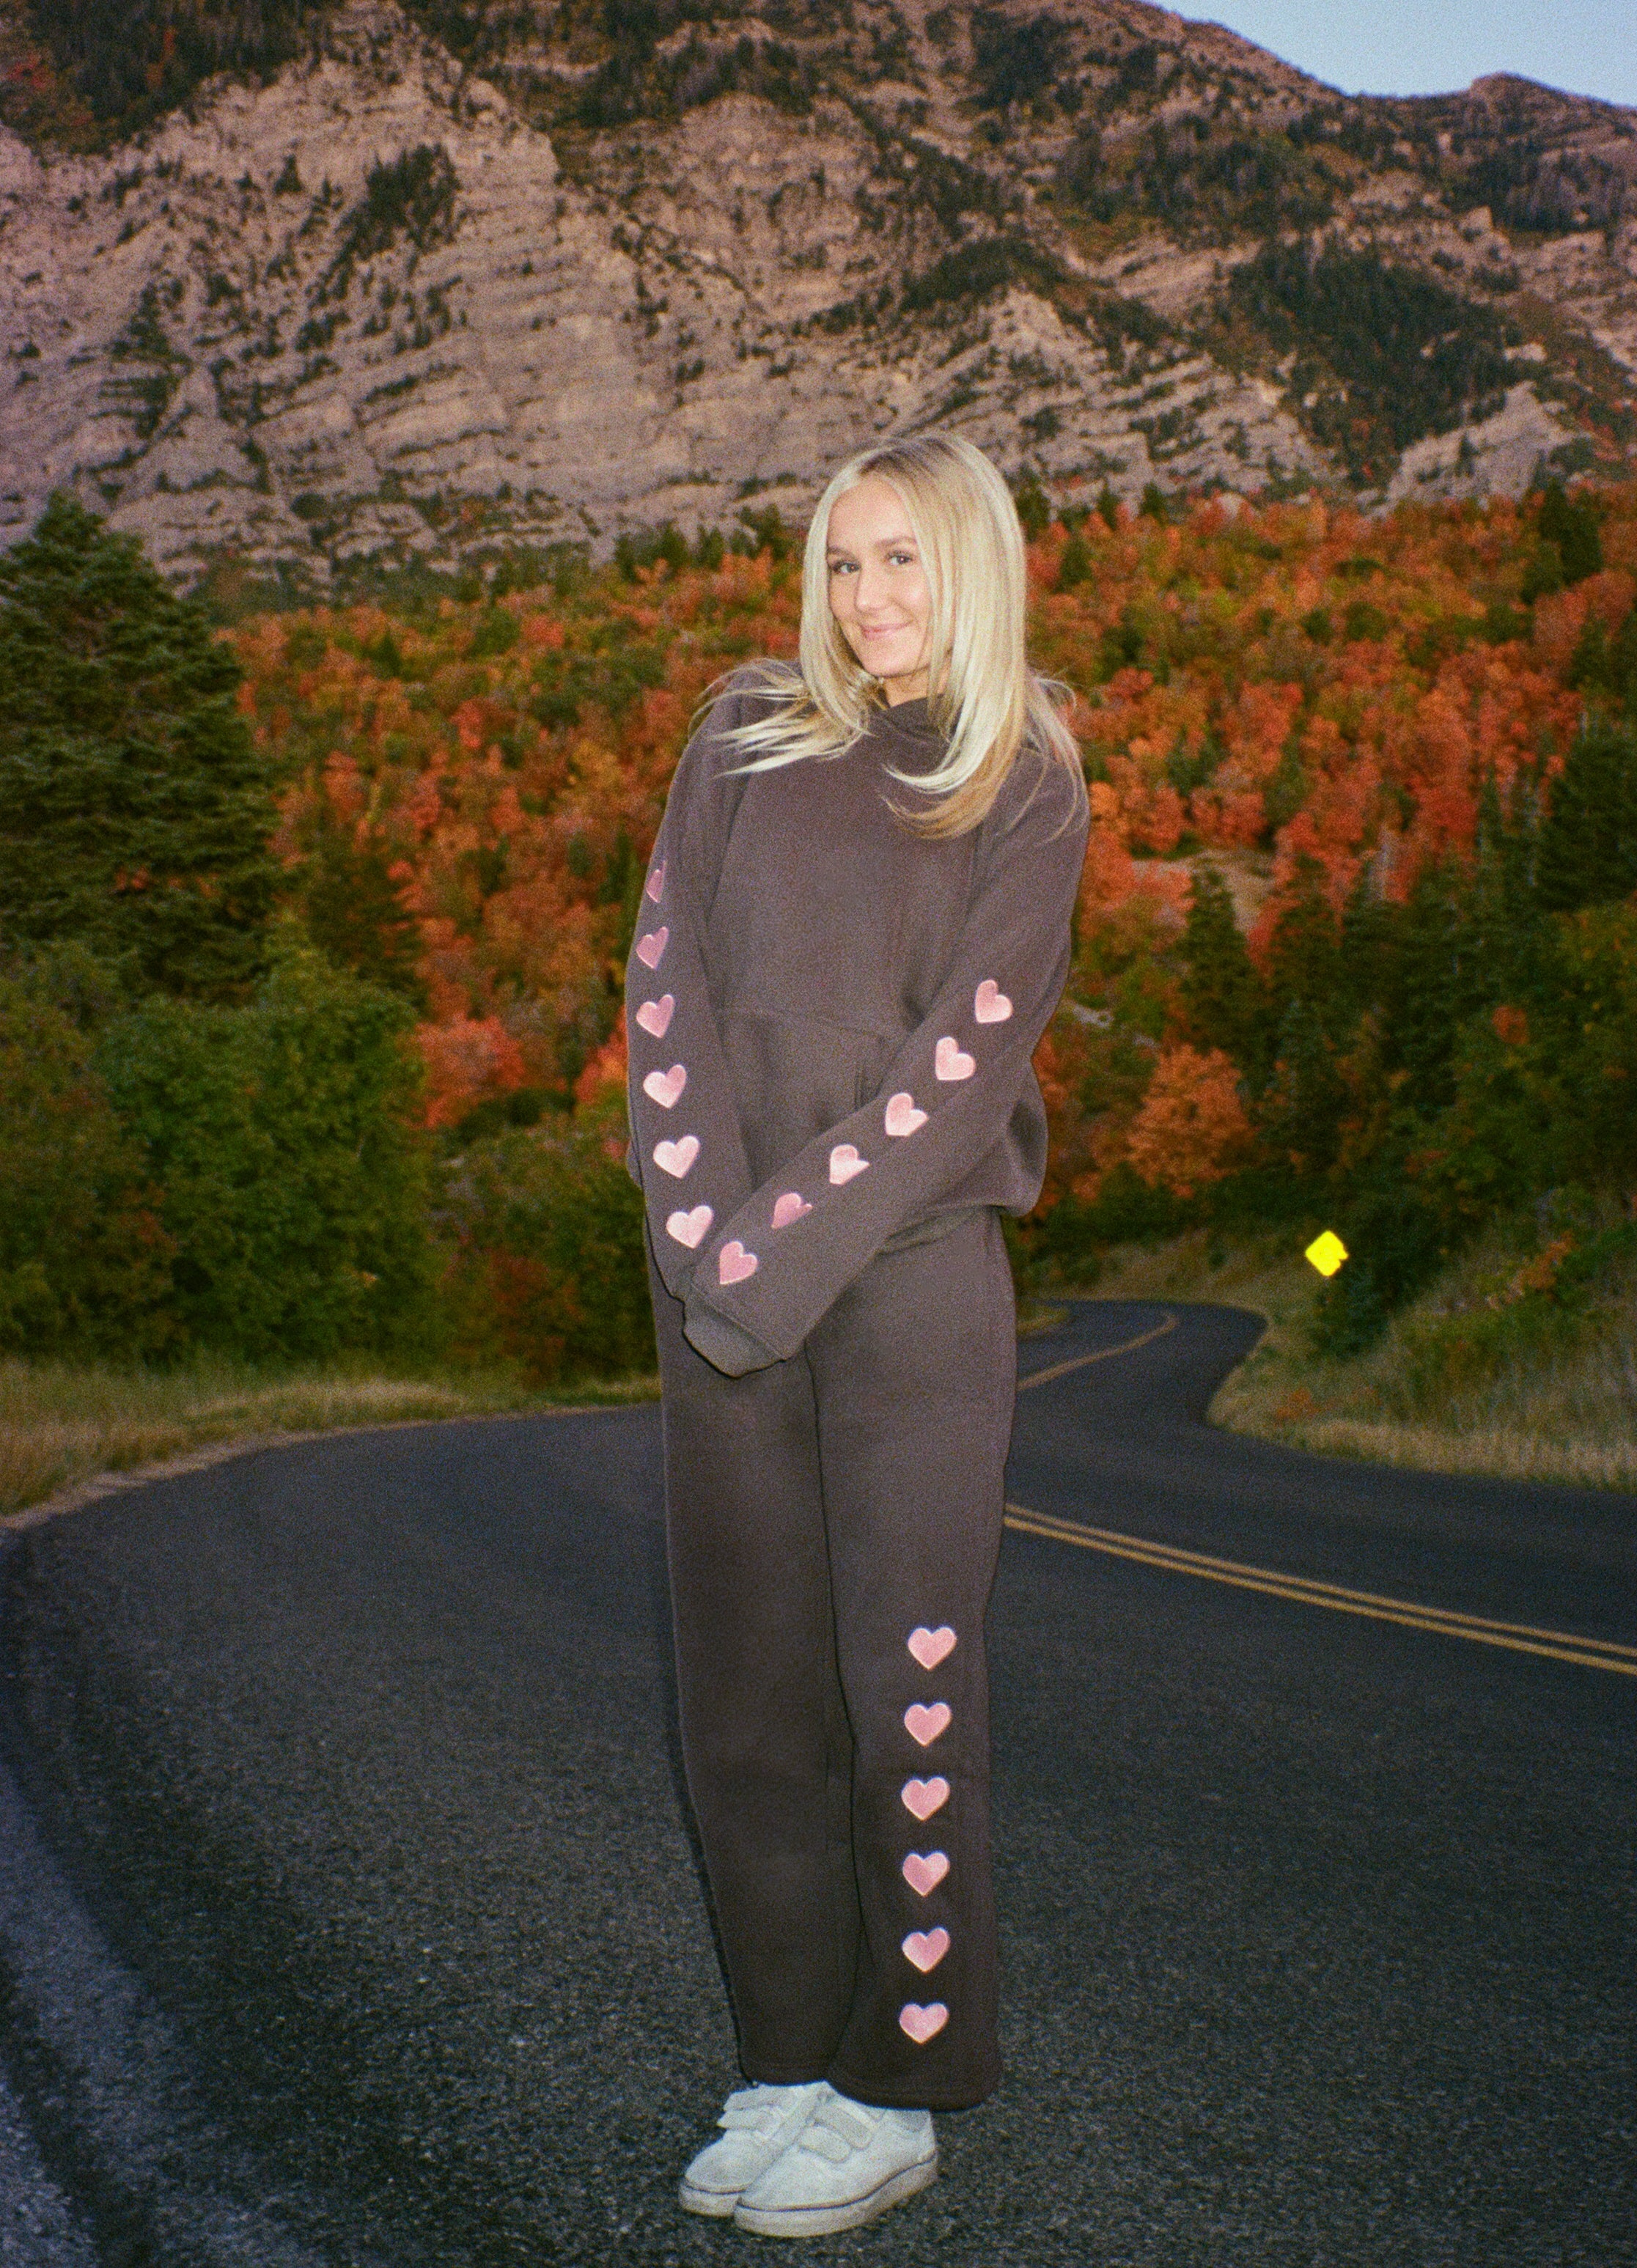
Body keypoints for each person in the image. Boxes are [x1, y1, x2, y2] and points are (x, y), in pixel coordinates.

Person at [624, 431, 1088, 2239]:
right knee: (743, 1697)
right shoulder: (742, 736)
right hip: (717, 1289)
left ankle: (899, 2086)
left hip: (906, 1290)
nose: (866, 599)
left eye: (901, 560)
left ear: (969, 567)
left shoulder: (1020, 781)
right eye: (838, 562)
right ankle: (785, 2057)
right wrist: (702, 1246)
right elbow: (664, 998)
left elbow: (956, 1071)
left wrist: (767, 1261)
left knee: (899, 1691)